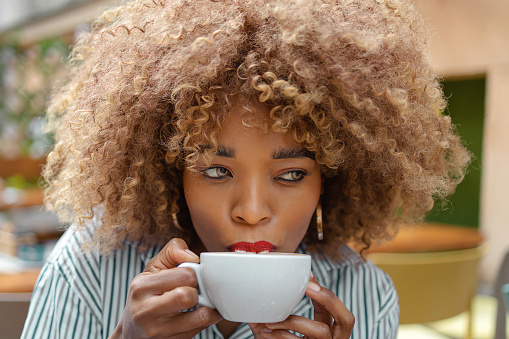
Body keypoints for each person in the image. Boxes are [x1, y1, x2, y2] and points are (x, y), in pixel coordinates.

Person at [21, 0, 471, 338]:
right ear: (171, 171)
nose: (252, 211)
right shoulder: (90, 267)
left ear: (329, 182)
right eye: (217, 171)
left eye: (291, 174)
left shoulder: (362, 296)